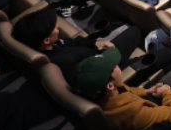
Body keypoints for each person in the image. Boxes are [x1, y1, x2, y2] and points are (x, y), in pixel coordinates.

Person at [10, 6, 162, 84]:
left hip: (100, 53)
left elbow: (75, 41)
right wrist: (112, 56)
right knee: (166, 55)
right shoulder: (65, 63)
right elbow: (99, 72)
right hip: (110, 68)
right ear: (46, 40)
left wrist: (95, 43)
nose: (57, 26)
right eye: (53, 27)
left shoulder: (52, 44)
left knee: (135, 30)